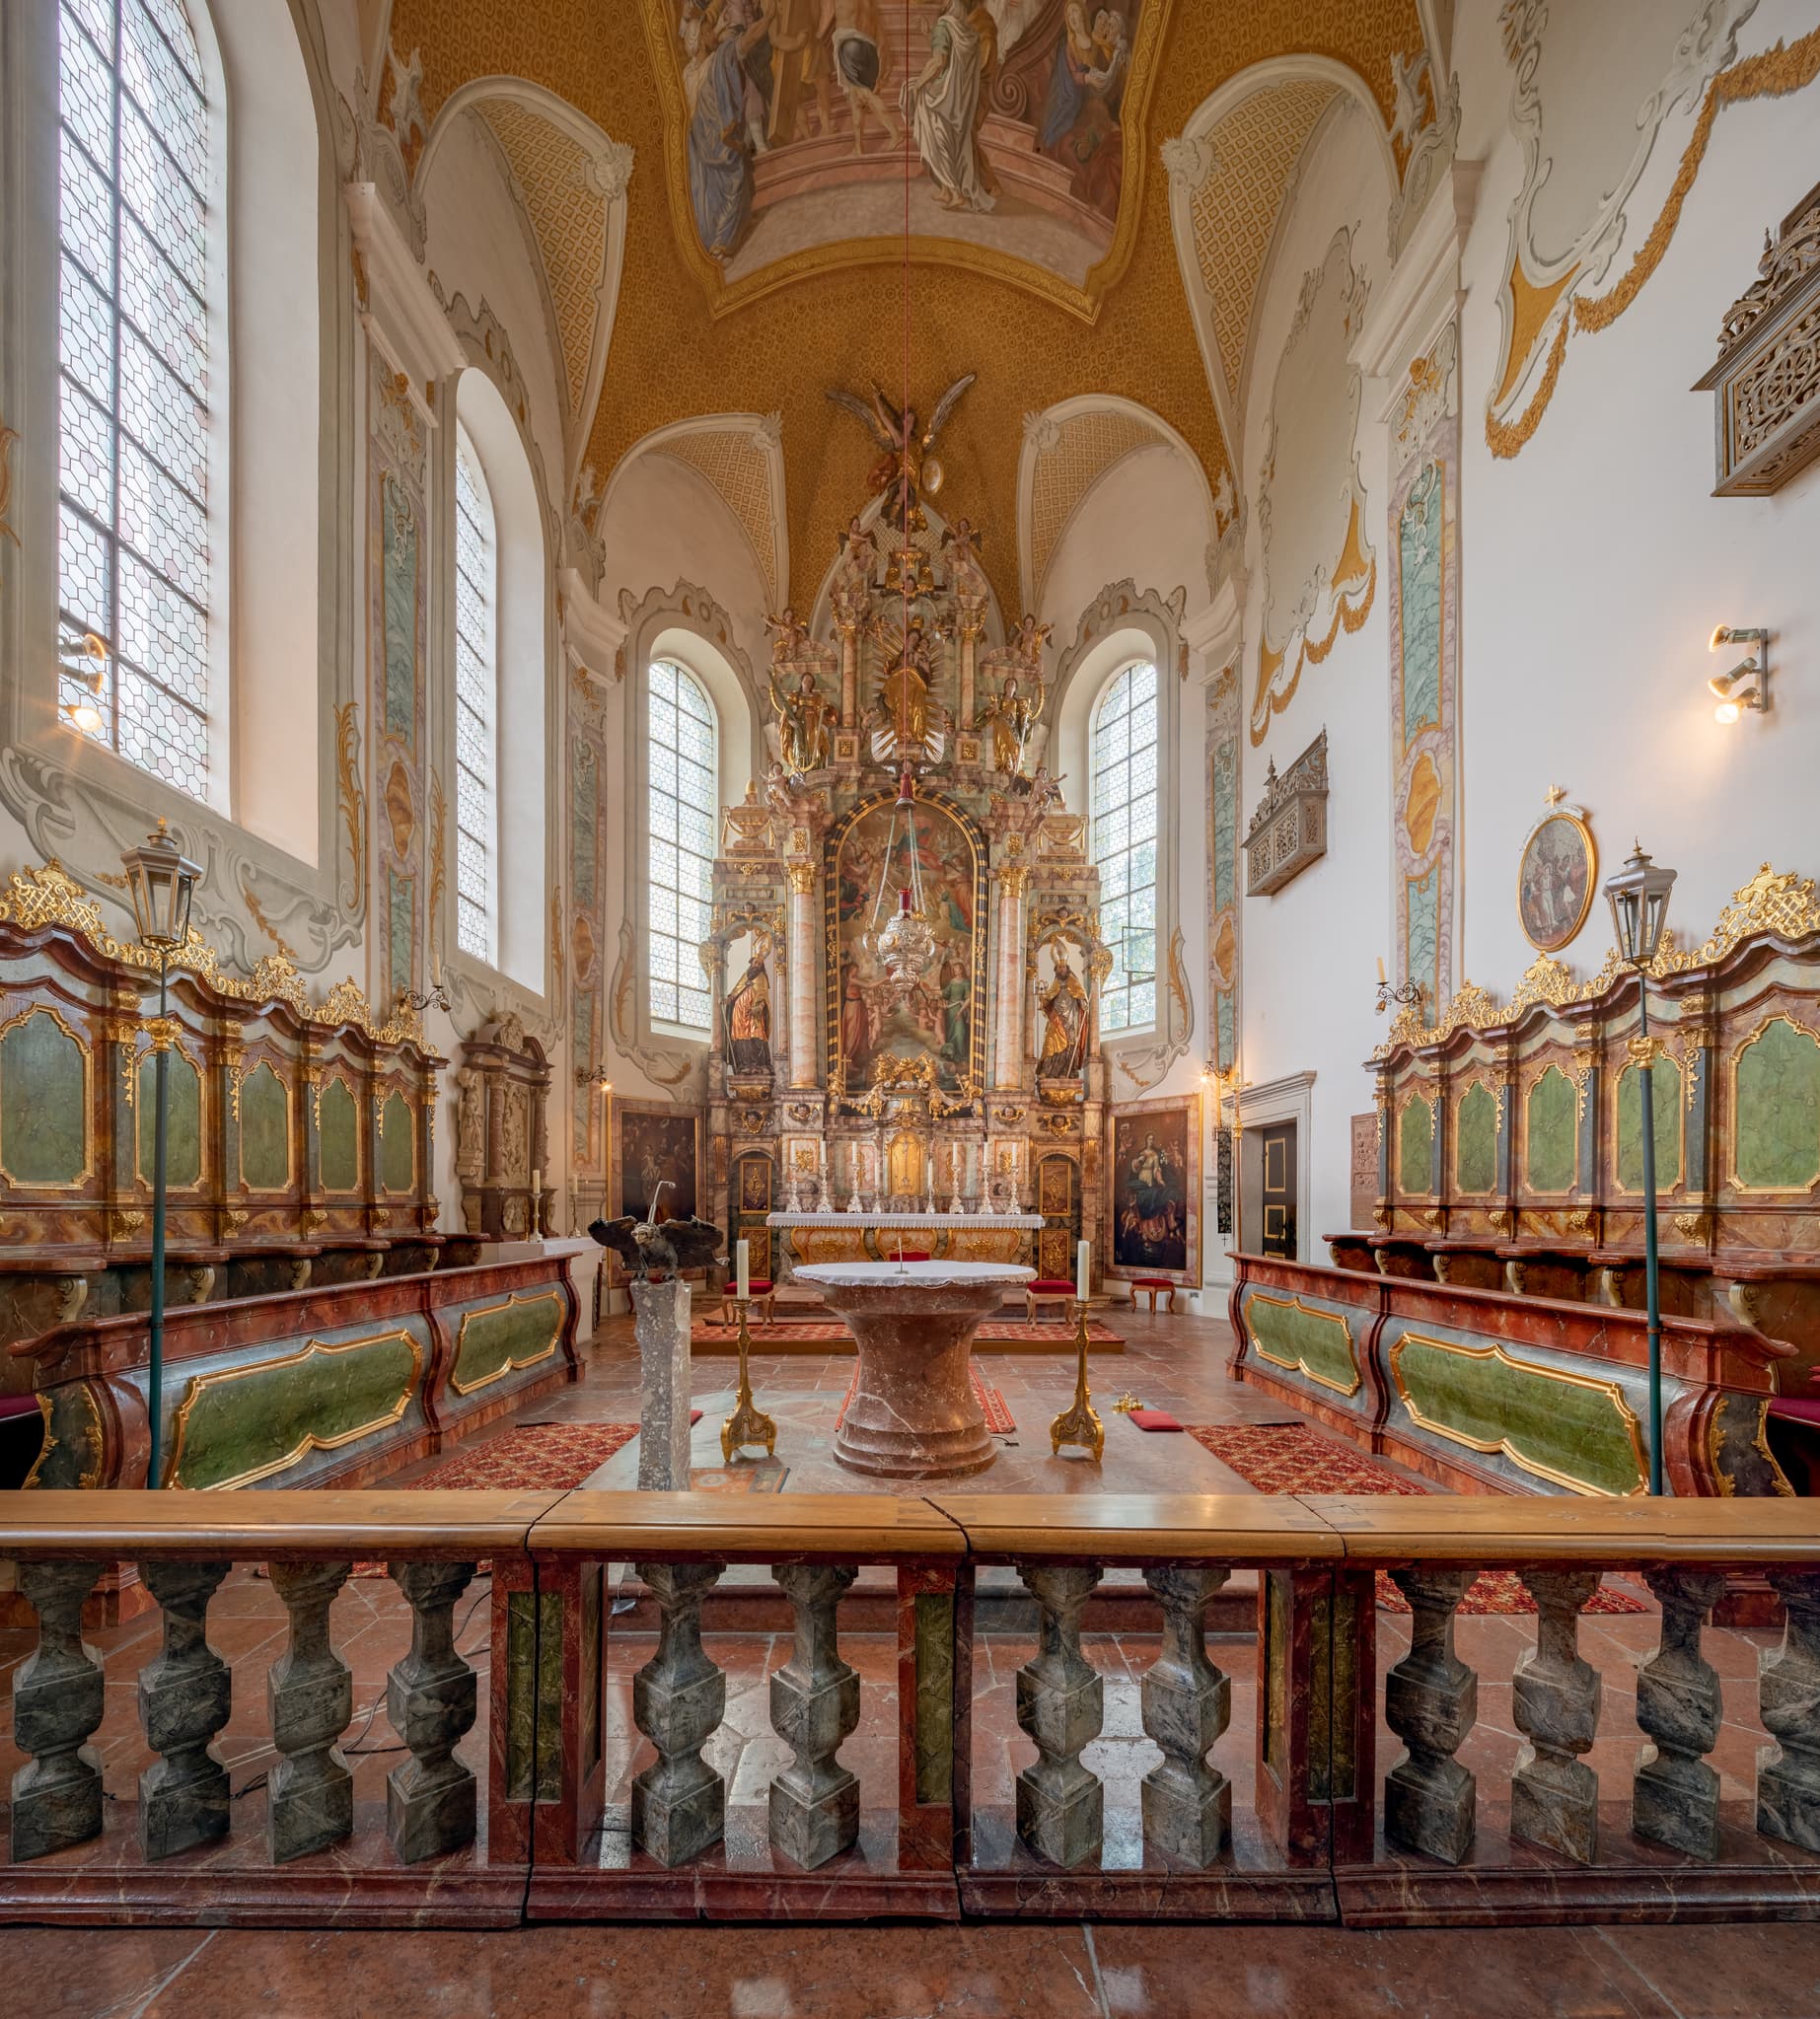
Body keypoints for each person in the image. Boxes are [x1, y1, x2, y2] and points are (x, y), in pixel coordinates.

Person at [688, 0, 775, 260]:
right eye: (708, 31)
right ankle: (722, 243)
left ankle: (712, 244)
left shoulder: (687, 74)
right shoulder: (719, 59)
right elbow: (748, 39)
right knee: (735, 179)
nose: (713, 32)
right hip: (722, 146)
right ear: (702, 39)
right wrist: (770, 17)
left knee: (706, 194)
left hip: (701, 151)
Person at [904, 0, 995, 213]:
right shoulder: (965, 30)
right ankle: (946, 189)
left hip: (940, 95)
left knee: (935, 137)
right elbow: (953, 58)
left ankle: (955, 192)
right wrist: (929, 35)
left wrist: (919, 85)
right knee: (947, 139)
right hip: (957, 98)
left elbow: (939, 62)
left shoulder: (944, 25)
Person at [823, 0, 901, 156]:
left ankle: (895, 133)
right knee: (855, 99)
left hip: (848, 47)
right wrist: (881, 72)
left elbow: (822, 29)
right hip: (869, 49)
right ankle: (858, 147)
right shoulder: (868, 3)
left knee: (865, 95)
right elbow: (880, 35)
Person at [1037, 945, 1088, 1078]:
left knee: (1070, 1042)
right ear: (1056, 970)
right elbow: (1048, 998)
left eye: (1064, 967)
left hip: (1071, 1018)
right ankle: (1049, 1071)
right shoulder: (1055, 984)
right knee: (1051, 1038)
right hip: (1056, 1016)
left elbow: (1081, 996)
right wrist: (1043, 1000)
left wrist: (1083, 1002)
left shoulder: (1074, 982)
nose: (1062, 969)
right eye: (1059, 967)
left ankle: (1067, 1071)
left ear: (1067, 969)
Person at [725, 939, 773, 1075]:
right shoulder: (746, 975)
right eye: (755, 962)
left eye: (759, 963)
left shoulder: (762, 978)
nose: (757, 965)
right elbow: (737, 988)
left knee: (756, 1035)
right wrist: (730, 999)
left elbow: (763, 996)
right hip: (739, 1012)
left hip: (753, 1013)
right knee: (740, 1037)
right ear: (751, 963)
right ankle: (743, 1064)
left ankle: (758, 1064)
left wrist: (758, 1008)